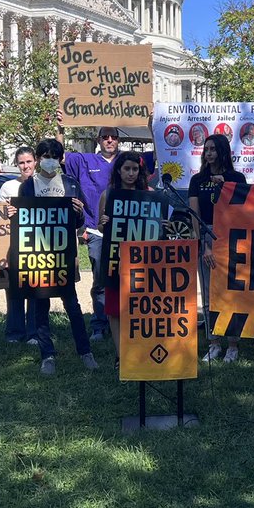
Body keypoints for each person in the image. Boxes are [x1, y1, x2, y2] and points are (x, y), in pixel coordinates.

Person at [20, 139, 98, 374]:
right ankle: (47, 355)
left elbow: (78, 221)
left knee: (72, 305)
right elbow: (22, 221)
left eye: (54, 155)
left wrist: (79, 213)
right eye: (45, 156)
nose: (50, 160)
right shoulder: (28, 186)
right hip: (38, 253)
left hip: (63, 254)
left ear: (61, 159)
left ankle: (85, 351)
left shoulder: (70, 183)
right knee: (40, 306)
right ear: (38, 158)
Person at [188, 134, 247, 362]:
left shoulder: (236, 178)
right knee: (208, 293)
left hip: (230, 237)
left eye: (213, 149)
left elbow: (242, 211)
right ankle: (213, 343)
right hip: (206, 236)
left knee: (230, 292)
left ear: (223, 151)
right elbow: (195, 214)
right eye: (206, 149)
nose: (209, 153)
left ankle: (233, 344)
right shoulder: (198, 180)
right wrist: (203, 243)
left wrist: (226, 187)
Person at [66, 125, 121, 342]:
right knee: (100, 278)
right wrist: (61, 126)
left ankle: (124, 320)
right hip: (95, 230)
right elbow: (61, 156)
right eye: (105, 137)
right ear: (98, 140)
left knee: (126, 278)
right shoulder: (85, 160)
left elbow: (157, 157)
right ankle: (99, 324)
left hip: (124, 231)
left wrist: (151, 126)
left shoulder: (126, 161)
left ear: (118, 140)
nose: (109, 140)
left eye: (113, 137)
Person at [100, 151, 154, 367]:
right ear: (119, 171)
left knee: (141, 309)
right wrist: (103, 223)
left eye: (135, 169)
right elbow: (101, 228)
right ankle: (121, 356)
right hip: (115, 260)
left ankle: (140, 352)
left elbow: (158, 227)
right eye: (127, 169)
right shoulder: (108, 195)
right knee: (115, 310)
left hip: (143, 262)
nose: (131, 173)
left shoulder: (149, 194)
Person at [0, 146, 38, 344]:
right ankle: (15, 332)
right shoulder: (8, 186)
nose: (25, 166)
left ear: (35, 162)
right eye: (21, 162)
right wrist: (6, 212)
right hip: (13, 244)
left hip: (38, 243)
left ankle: (34, 332)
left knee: (36, 288)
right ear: (16, 165)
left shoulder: (43, 185)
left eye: (29, 161)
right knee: (14, 288)